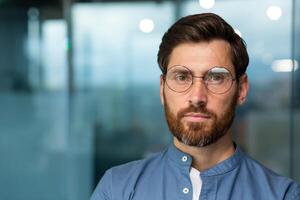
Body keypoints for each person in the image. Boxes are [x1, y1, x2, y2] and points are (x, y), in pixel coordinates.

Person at [91, 13, 300, 200]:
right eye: (182, 77)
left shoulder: (282, 195)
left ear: (242, 89)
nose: (197, 97)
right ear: (162, 88)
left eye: (216, 77)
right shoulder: (116, 189)